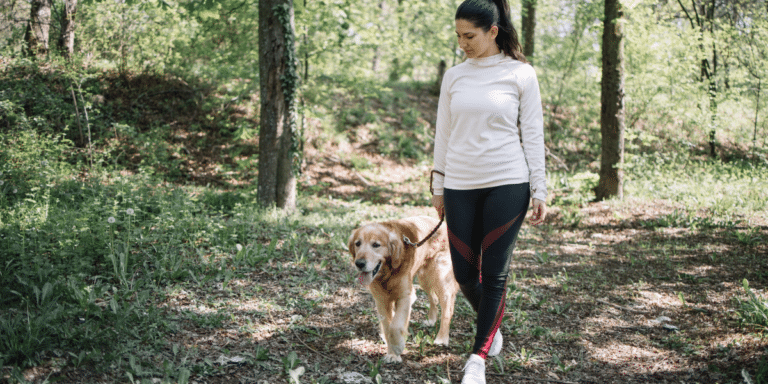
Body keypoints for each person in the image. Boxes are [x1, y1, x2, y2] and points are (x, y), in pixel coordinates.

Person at [430, 0, 547, 383]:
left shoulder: (521, 74)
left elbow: (532, 134)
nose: (462, 43)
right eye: (458, 36)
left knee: (494, 274)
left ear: (493, 32)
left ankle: (477, 358)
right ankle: (491, 324)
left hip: (508, 184)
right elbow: (443, 134)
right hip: (460, 184)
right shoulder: (454, 76)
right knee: (465, 274)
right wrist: (438, 184)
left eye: (470, 36)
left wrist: (540, 188)